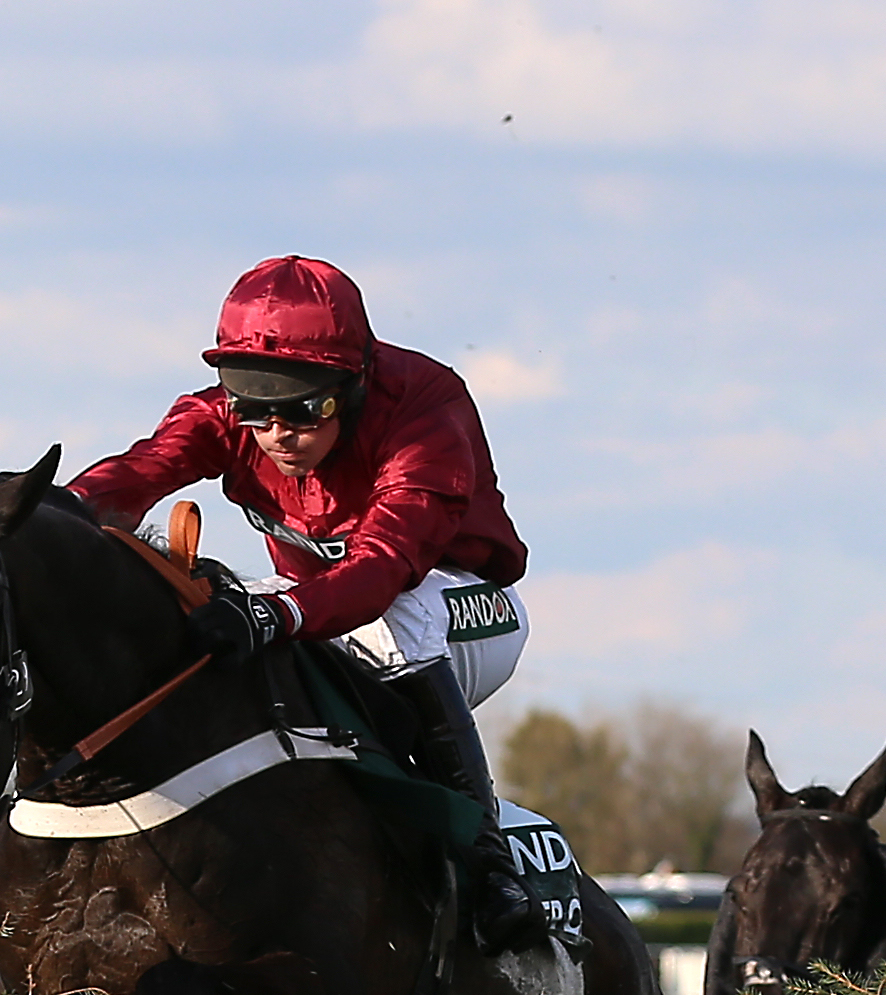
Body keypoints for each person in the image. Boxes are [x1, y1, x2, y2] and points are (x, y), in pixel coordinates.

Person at [67, 255, 545, 953]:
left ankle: (488, 862)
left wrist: (274, 614)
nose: (276, 432)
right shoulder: (223, 417)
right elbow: (138, 473)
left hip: (462, 605)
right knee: (208, 604)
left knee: (393, 615)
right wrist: (43, 513)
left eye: (304, 406)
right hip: (327, 609)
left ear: (353, 387)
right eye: (253, 404)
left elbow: (383, 567)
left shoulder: (423, 410)